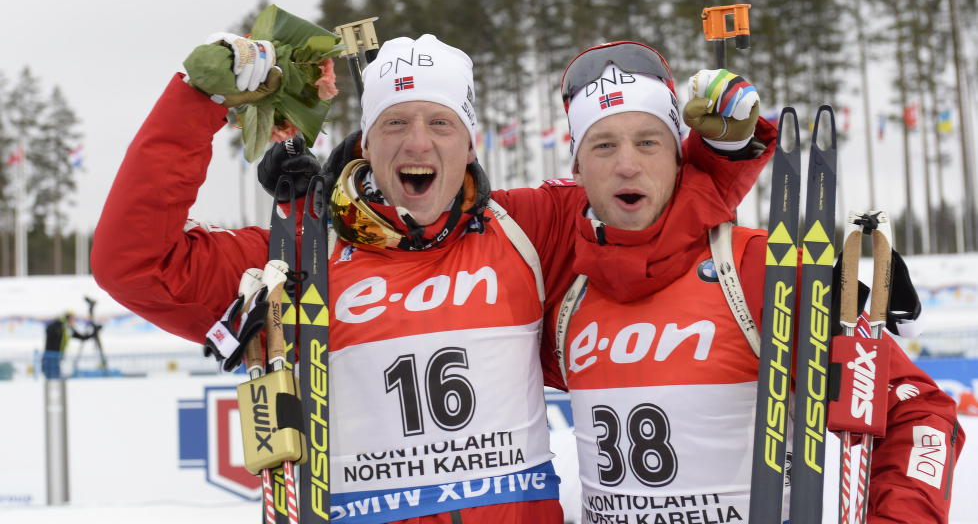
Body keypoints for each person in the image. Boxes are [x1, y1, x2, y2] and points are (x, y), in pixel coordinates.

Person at [92, 30, 769, 523]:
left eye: (441, 123)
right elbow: (136, 264)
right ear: (365, 143)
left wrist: (722, 147)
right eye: (396, 124)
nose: (419, 143)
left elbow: (649, 206)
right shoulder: (302, 255)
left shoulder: (529, 227)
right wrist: (196, 101)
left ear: (471, 142)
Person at [553, 43, 966, 523]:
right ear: (576, 167)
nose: (628, 164)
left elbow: (919, 416)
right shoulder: (562, 287)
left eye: (648, 142)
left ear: (680, 157)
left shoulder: (754, 270)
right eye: (603, 144)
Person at [42, 311, 90, 378]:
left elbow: (81, 337)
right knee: (50, 374)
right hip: (50, 355)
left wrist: (93, 333)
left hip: (58, 355)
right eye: (72, 319)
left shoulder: (67, 328)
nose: (74, 321)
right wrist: (59, 322)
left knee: (55, 374)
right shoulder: (58, 326)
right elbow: (49, 329)